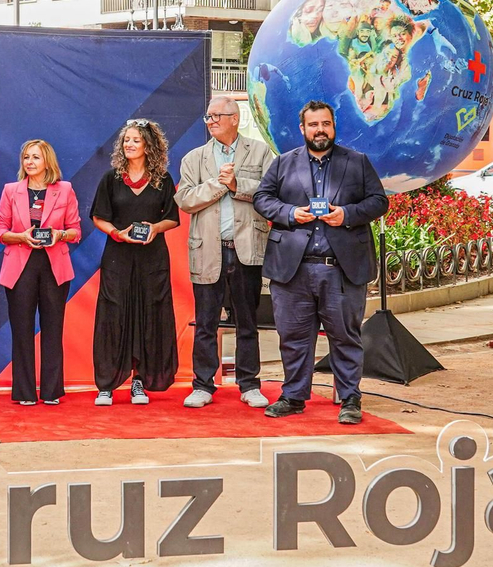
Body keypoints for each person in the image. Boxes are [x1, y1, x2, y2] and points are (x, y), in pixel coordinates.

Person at [253, 100, 389, 424]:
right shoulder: (284, 163)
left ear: (333, 126)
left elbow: (378, 201)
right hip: (293, 268)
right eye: (313, 125)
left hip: (340, 268)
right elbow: (262, 198)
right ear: (303, 129)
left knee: (345, 336)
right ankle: (294, 396)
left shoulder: (356, 163)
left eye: (325, 124)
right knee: (293, 337)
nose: (320, 130)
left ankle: (350, 399)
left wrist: (347, 215)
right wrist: (289, 213)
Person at [176, 96, 275, 410]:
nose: (211, 121)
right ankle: (203, 385)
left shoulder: (260, 152)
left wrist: (237, 184)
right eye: (208, 117)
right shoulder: (194, 157)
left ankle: (250, 384)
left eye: (217, 115)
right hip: (209, 250)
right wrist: (219, 186)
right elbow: (185, 199)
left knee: (247, 322)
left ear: (235, 118)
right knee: (206, 322)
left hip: (247, 249)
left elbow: (272, 193)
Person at [89, 119, 181, 406]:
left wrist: (154, 228)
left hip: (152, 260)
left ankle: (139, 382)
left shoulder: (163, 179)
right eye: (126, 140)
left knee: (149, 316)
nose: (129, 144)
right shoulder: (111, 179)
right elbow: (98, 217)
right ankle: (106, 385)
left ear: (148, 146)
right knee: (113, 316)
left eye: (135, 140)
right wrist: (117, 233)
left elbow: (173, 218)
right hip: (118, 257)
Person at [0, 139, 81, 406]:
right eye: (26, 157)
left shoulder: (64, 190)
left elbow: (76, 231)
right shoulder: (11, 190)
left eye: (36, 157)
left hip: (54, 266)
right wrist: (20, 236)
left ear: (47, 162)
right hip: (20, 266)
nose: (29, 162)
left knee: (53, 329)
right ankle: (24, 392)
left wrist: (59, 234)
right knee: (21, 330)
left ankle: (52, 391)